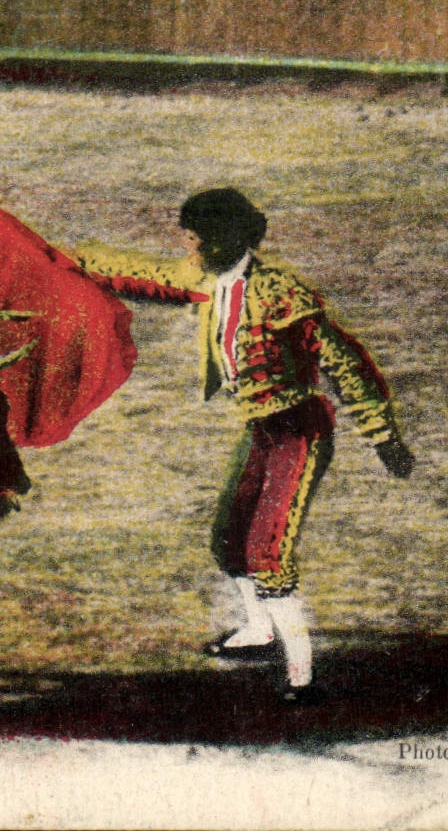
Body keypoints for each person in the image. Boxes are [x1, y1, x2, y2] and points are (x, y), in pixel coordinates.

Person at [70, 188, 415, 703]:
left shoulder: (283, 294)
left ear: (228, 238)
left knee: (267, 553)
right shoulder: (207, 277)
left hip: (299, 429)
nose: (188, 250)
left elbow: (344, 363)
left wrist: (383, 435)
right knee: (229, 541)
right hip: (261, 428)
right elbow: (138, 275)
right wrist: (58, 259)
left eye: (197, 240)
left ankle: (303, 679)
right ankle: (259, 630)